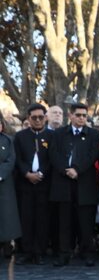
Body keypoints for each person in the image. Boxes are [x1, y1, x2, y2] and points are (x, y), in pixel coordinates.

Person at [49, 103, 99, 266]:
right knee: (64, 221)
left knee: (86, 221)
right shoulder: (59, 134)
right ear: (70, 116)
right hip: (63, 183)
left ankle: (87, 252)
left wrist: (77, 169)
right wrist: (66, 170)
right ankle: (64, 253)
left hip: (84, 183)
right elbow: (54, 154)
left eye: (84, 116)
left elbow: (92, 155)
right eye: (78, 115)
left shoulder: (94, 134)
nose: (81, 118)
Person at [13, 103, 53, 265]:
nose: (37, 120)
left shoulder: (52, 136)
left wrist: (41, 173)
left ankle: (40, 251)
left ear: (45, 118)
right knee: (26, 218)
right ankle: (26, 251)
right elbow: (18, 158)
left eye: (40, 117)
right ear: (28, 119)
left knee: (42, 219)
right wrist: (27, 174)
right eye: (34, 117)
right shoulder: (20, 136)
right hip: (26, 184)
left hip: (44, 184)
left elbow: (52, 158)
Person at [0, 113, 21, 255]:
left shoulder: (7, 140)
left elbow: (10, 159)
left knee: (5, 216)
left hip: (4, 184)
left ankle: (6, 243)